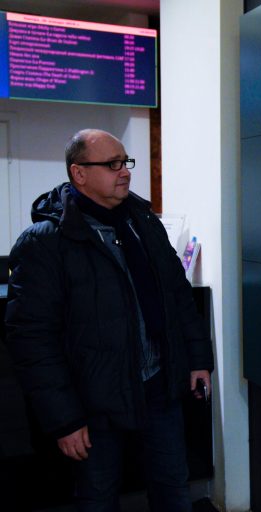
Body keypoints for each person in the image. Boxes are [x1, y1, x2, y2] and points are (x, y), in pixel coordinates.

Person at [4, 128, 213, 511]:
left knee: (173, 489)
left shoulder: (142, 223)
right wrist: (64, 420)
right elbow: (32, 340)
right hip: (92, 404)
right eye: (112, 164)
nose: (125, 171)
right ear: (79, 173)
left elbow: (177, 295)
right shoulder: (45, 242)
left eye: (125, 162)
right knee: (97, 499)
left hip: (158, 389)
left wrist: (198, 359)